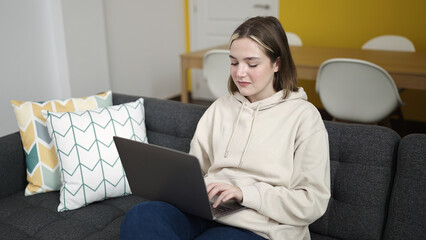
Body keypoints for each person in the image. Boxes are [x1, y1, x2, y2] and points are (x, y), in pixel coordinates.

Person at [121, 16, 330, 240]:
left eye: (252, 64)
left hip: (259, 225)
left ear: (277, 64)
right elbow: (196, 169)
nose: (240, 73)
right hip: (206, 211)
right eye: (233, 62)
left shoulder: (304, 117)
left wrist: (244, 194)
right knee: (141, 217)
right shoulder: (220, 107)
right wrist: (178, 186)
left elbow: (312, 202)